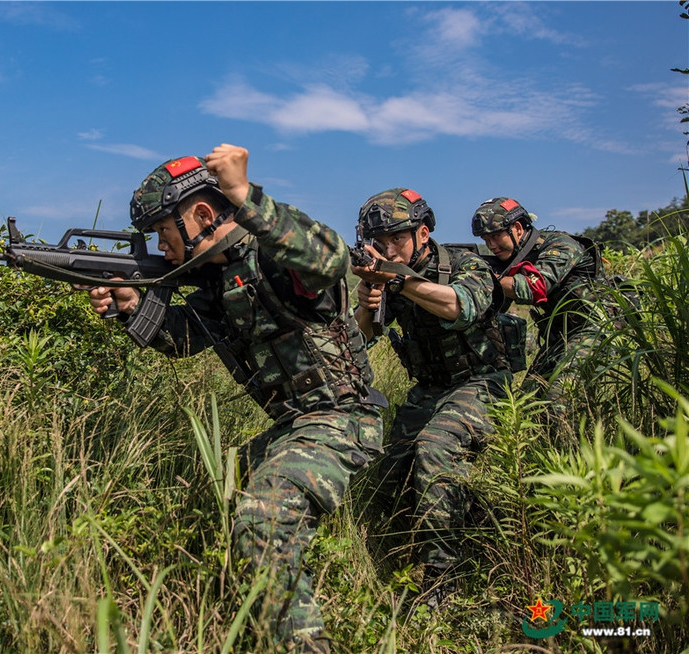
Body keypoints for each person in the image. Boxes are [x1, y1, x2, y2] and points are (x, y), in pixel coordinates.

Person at [83, 144, 386, 653]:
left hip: (342, 418)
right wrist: (132, 308)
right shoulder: (219, 280)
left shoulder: (274, 254)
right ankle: (249, 619)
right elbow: (183, 338)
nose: (162, 244)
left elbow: (330, 259)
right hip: (291, 426)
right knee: (218, 498)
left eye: (163, 229)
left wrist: (245, 195)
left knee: (264, 516)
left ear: (202, 214)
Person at [351, 188, 512, 607]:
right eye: (377, 241)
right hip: (429, 389)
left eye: (395, 239)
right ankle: (471, 518)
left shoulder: (464, 264)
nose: (386, 249)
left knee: (435, 448)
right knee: (385, 481)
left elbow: (459, 306)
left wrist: (398, 281)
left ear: (422, 233)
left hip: (481, 382)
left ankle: (443, 574)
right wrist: (369, 301)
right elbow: (363, 337)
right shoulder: (387, 274)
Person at [470, 197, 603, 412]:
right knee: (527, 407)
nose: (491, 245)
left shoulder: (560, 245)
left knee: (557, 401)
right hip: (560, 336)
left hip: (595, 330)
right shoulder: (514, 257)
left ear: (518, 228)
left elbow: (535, 288)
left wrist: (486, 278)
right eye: (486, 240)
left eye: (495, 236)